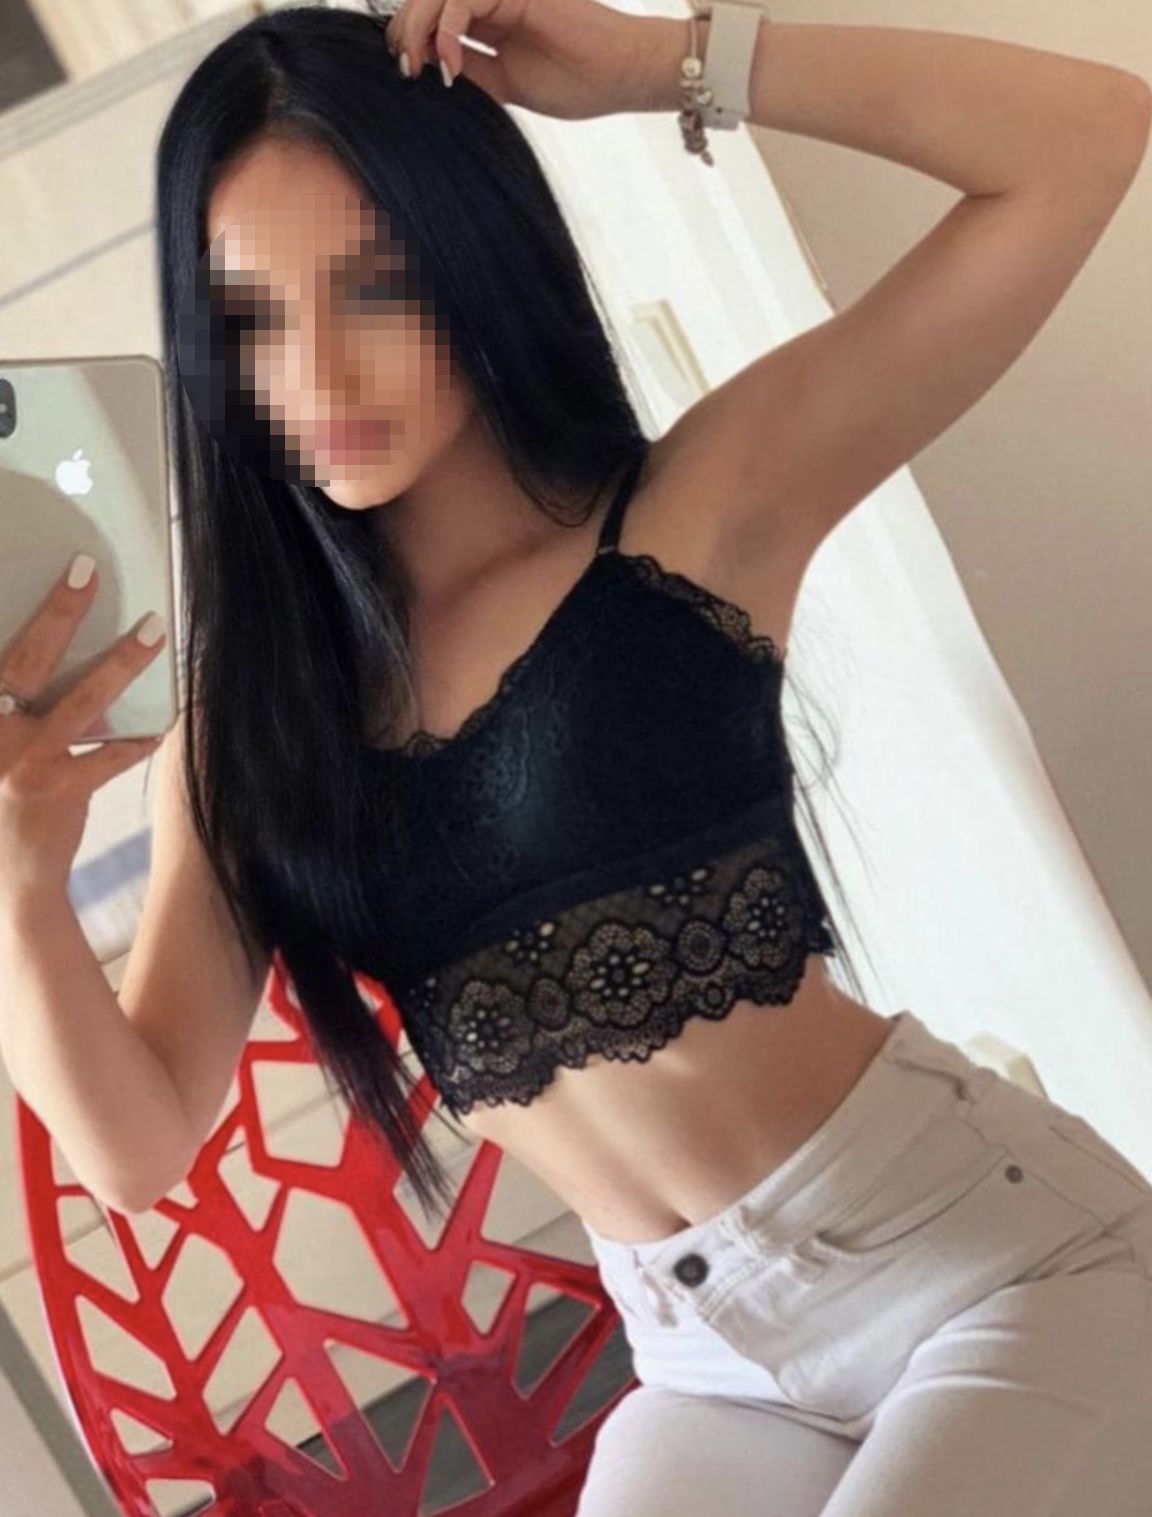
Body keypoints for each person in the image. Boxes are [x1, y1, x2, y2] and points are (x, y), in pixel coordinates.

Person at [1, 4, 1150, 1512]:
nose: (318, 372)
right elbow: (139, 1148)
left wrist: (664, 65)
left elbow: (1080, 139)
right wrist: (19, 881)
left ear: (473, 259)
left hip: (978, 1264)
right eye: (253, 318)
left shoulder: (691, 518)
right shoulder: (251, 727)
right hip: (700, 1360)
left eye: (376, 284)